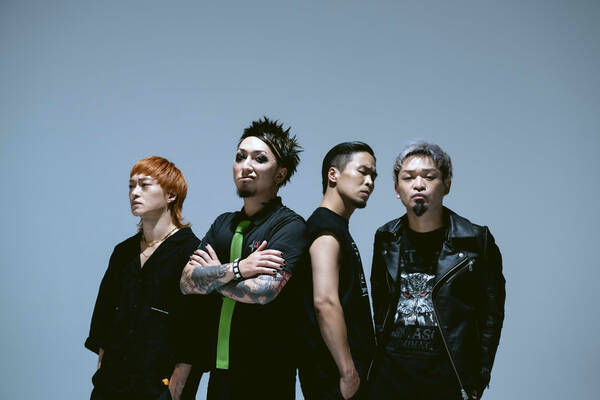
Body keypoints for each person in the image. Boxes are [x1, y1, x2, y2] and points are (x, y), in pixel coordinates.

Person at [180, 117, 307, 400]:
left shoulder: (289, 226)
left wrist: (213, 278)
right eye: (240, 156)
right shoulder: (222, 224)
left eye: (260, 159)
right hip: (220, 369)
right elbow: (187, 282)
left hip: (268, 371)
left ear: (280, 174)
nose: (246, 165)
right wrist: (240, 268)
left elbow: (263, 292)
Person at [368, 141, 505, 400]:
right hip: (389, 380)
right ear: (397, 189)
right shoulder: (386, 237)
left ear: (447, 185)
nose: (418, 184)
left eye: (429, 177)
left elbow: (492, 315)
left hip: (447, 381)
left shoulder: (476, 241)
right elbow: (380, 305)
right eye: (408, 177)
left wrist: (479, 377)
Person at [85, 156, 203, 400]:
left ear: (171, 195)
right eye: (131, 186)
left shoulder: (192, 252)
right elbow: (104, 318)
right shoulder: (123, 252)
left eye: (144, 185)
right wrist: (101, 374)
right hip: (111, 385)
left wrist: (176, 387)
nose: (134, 193)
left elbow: (197, 329)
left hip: (158, 387)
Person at [298, 142, 377, 400]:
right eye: (363, 172)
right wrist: (348, 372)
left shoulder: (335, 227)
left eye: (373, 176)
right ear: (333, 174)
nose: (369, 182)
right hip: (335, 379)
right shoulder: (326, 230)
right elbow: (325, 301)